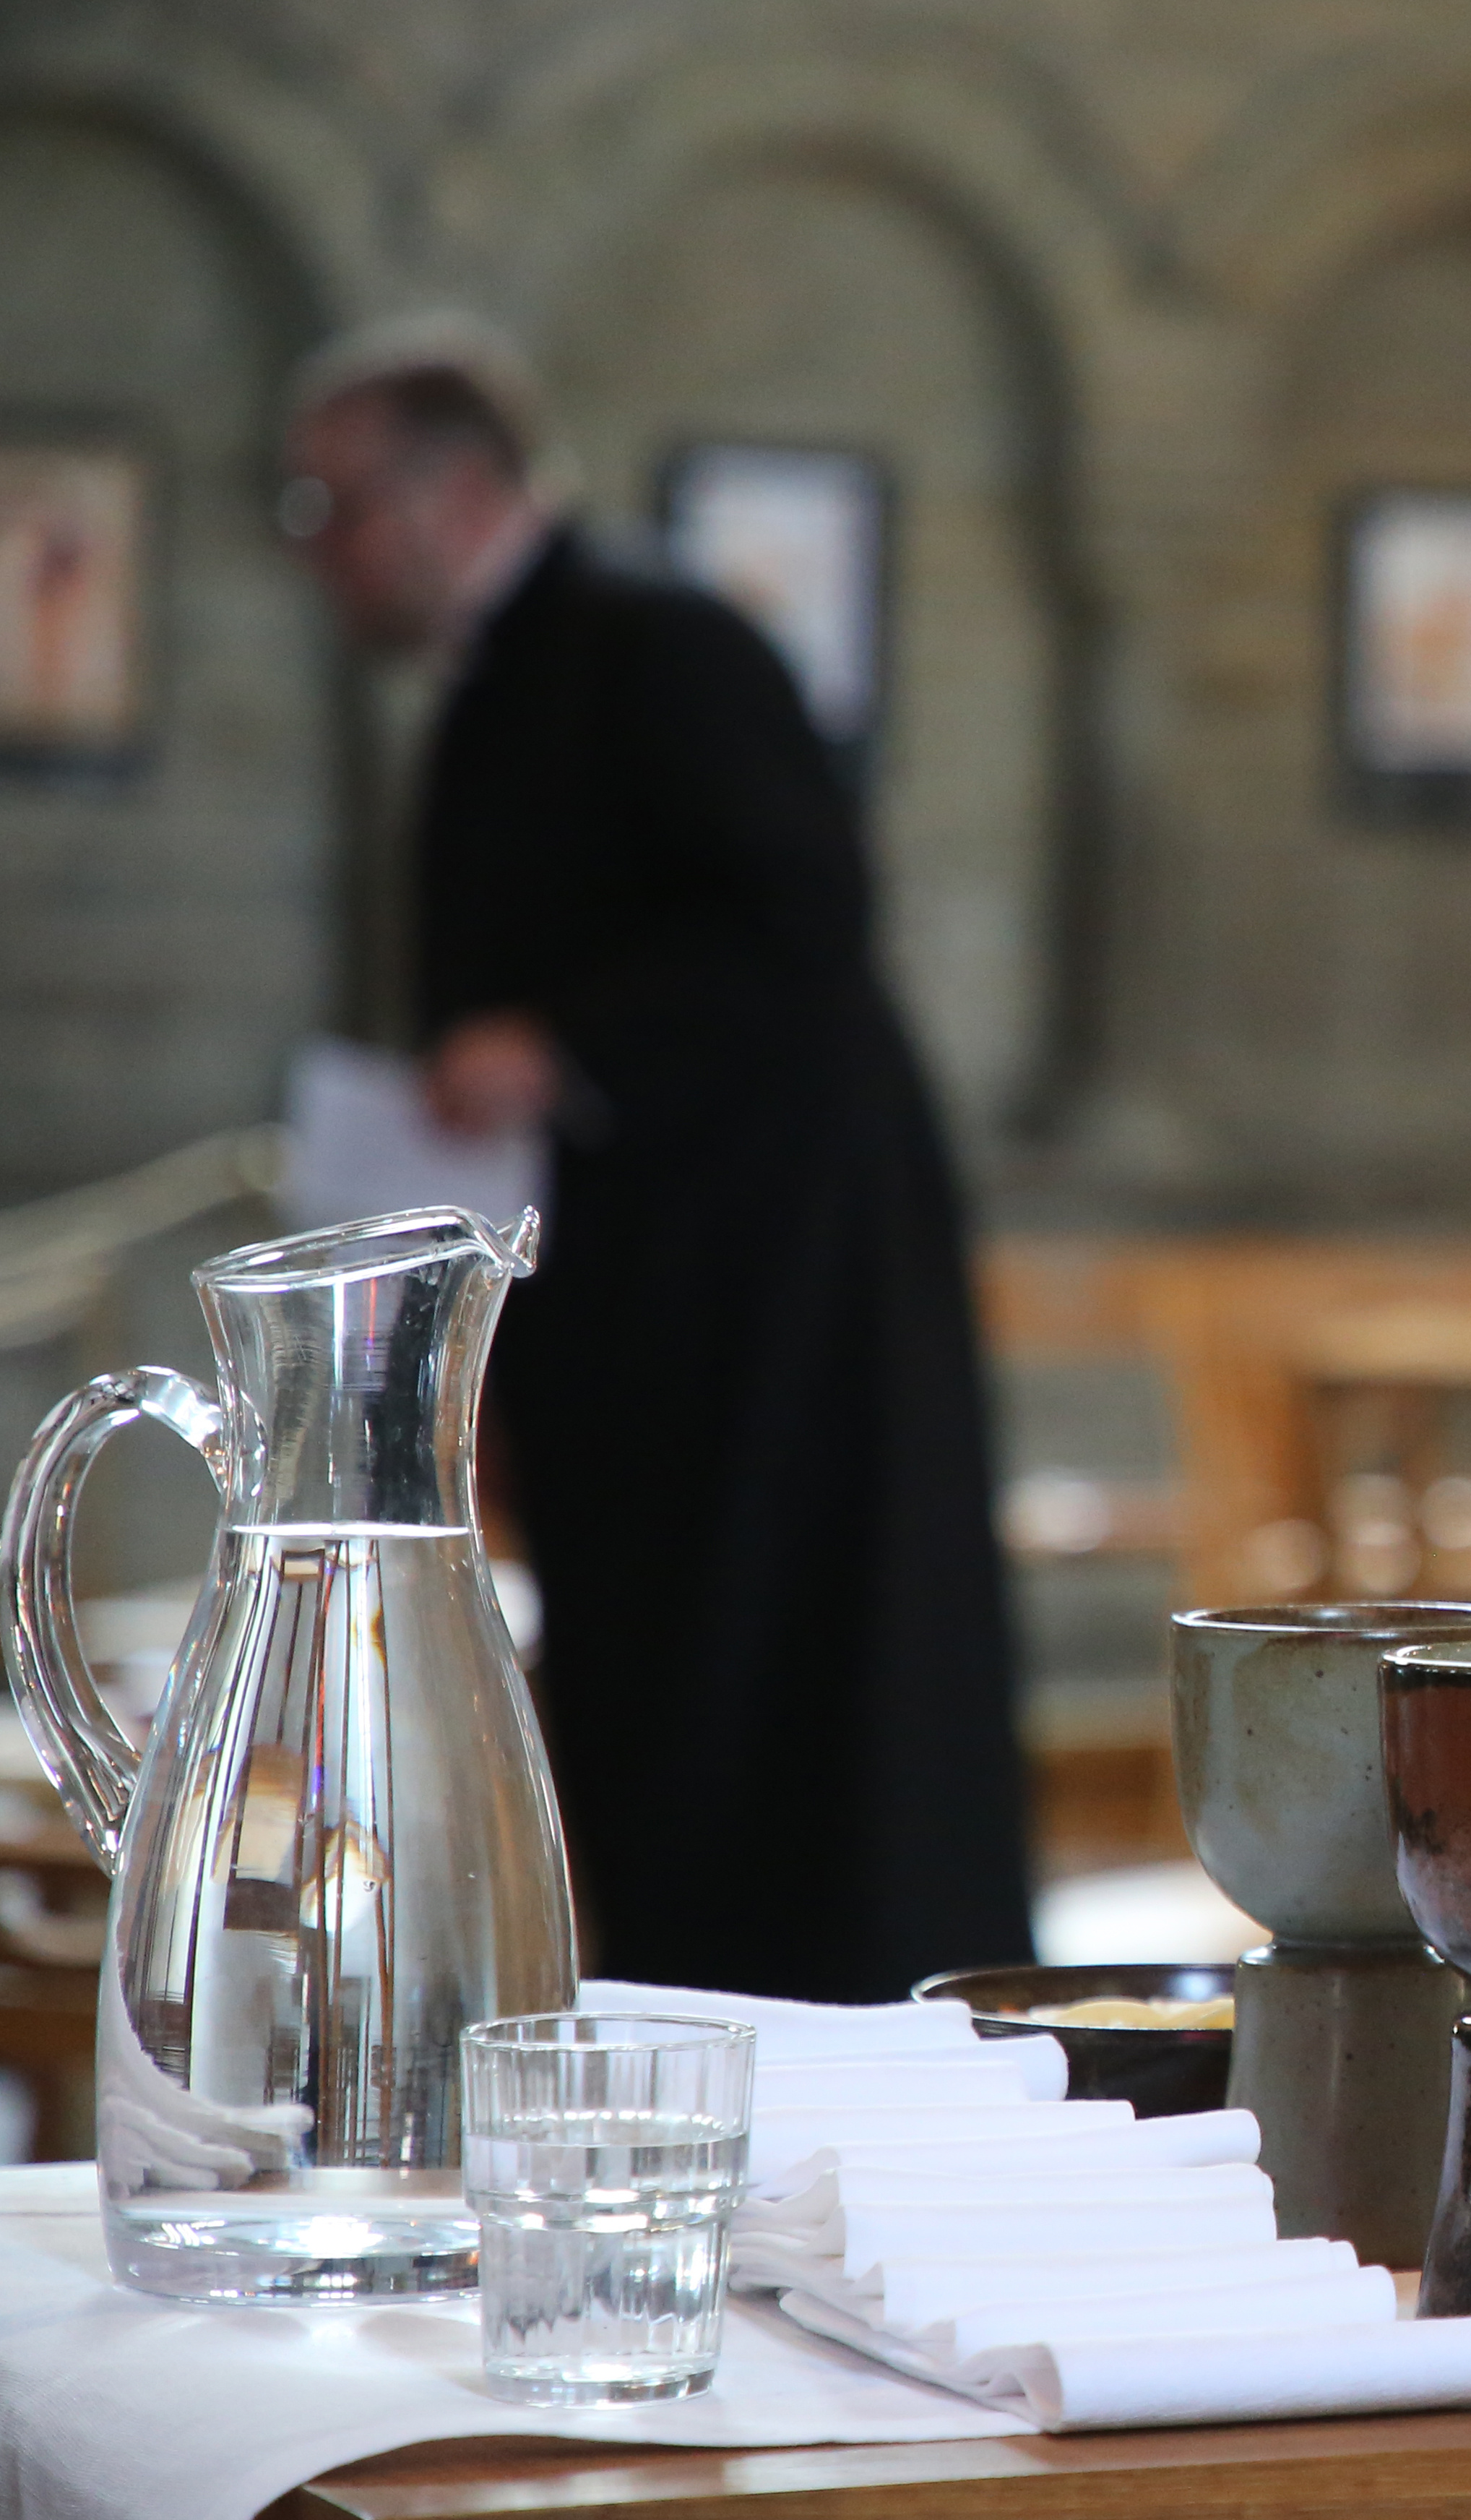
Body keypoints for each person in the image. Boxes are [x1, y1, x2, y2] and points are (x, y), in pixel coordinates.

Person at [281, 317, 1035, 2000]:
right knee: (661, 1692)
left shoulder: (656, 636)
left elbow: (805, 913)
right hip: (647, 1297)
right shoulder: (513, 669)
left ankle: (835, 2035)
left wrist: (562, 1038)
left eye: (331, 506)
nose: (317, 551)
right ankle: (679, 2018)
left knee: (791, 1689)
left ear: (449, 487)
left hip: (774, 1294)